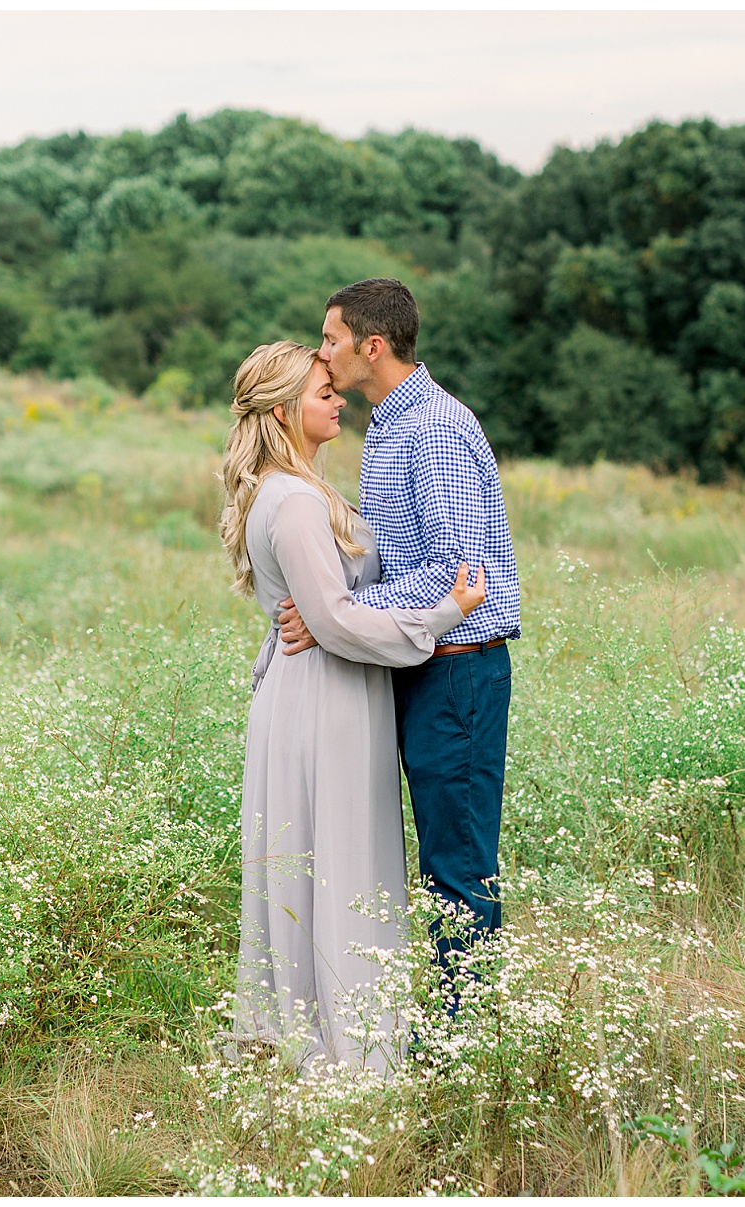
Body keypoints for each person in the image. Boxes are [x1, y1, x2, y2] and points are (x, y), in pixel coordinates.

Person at [219, 340, 487, 1072]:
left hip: (322, 693)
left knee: (327, 865)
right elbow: (332, 621)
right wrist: (439, 615)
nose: (337, 399)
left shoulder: (296, 489)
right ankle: (350, 1053)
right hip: (323, 700)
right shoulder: (296, 500)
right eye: (321, 392)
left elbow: (319, 610)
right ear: (283, 411)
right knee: (337, 866)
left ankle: (334, 1036)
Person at [278, 278, 521, 973]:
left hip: (458, 668)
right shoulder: (388, 422)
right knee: (425, 861)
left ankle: (462, 1039)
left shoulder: (434, 430)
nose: (322, 355)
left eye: (330, 339)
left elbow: (456, 575)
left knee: (457, 865)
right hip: (416, 661)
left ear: (372, 345)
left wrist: (342, 617)